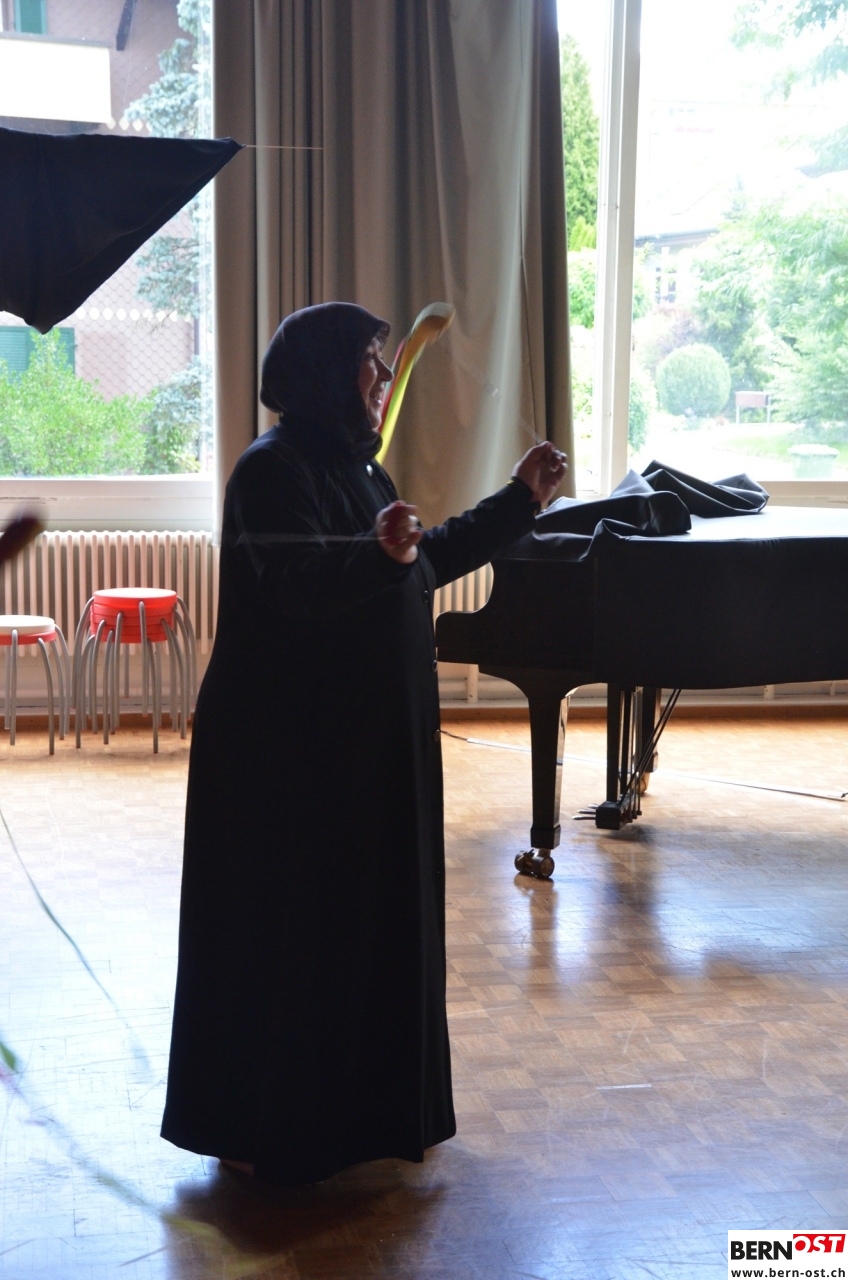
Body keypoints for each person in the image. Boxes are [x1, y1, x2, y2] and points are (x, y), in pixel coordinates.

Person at [160, 302, 566, 1185]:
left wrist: (518, 501)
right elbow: (296, 585)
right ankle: (278, 1130)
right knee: (294, 942)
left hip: (363, 752)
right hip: (292, 761)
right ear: (321, 375)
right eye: (369, 362)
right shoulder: (269, 471)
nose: (383, 377)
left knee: (362, 933)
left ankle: (363, 1121)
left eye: (384, 363)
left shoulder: (361, 470)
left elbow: (420, 564)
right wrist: (377, 557)